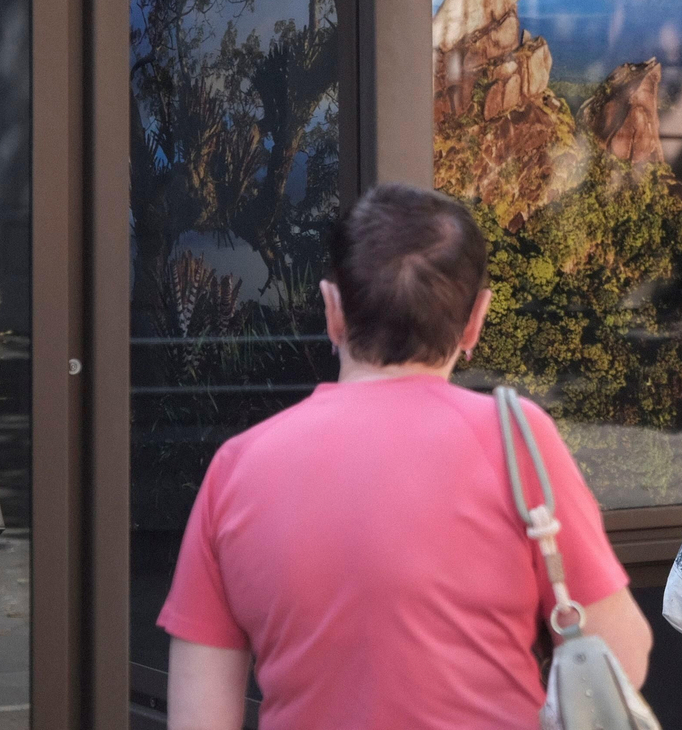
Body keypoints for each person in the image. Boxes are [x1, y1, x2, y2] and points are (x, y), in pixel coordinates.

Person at [159, 184, 652, 730]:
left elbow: (199, 713)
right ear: (476, 321)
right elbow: (622, 650)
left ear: (333, 310)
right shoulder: (515, 439)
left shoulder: (238, 466)